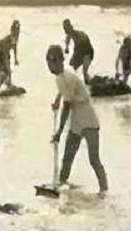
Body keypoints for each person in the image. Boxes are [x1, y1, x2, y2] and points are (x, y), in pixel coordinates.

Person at [46, 45, 108, 193]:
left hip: (88, 120)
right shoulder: (61, 77)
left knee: (94, 159)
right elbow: (64, 91)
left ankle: (104, 190)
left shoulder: (68, 77)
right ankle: (61, 186)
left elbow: (67, 106)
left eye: (49, 62)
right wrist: (57, 100)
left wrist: (59, 132)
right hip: (76, 121)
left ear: (56, 61)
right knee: (67, 157)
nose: (48, 66)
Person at [62, 19, 94, 84]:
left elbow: (85, 45)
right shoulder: (69, 35)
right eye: (64, 28)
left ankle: (88, 84)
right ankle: (73, 83)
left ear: (71, 27)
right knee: (72, 67)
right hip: (80, 52)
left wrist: (76, 54)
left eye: (66, 28)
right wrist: (66, 48)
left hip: (87, 52)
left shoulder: (80, 35)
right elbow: (67, 42)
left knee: (84, 71)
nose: (65, 30)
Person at [0, 20, 21, 92]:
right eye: (15, 30)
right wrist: (7, 64)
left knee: (8, 71)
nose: (17, 32)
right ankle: (3, 86)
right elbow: (4, 53)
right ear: (12, 30)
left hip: (5, 54)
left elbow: (14, 48)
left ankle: (5, 86)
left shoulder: (15, 38)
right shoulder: (7, 39)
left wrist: (15, 59)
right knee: (4, 72)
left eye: (18, 30)